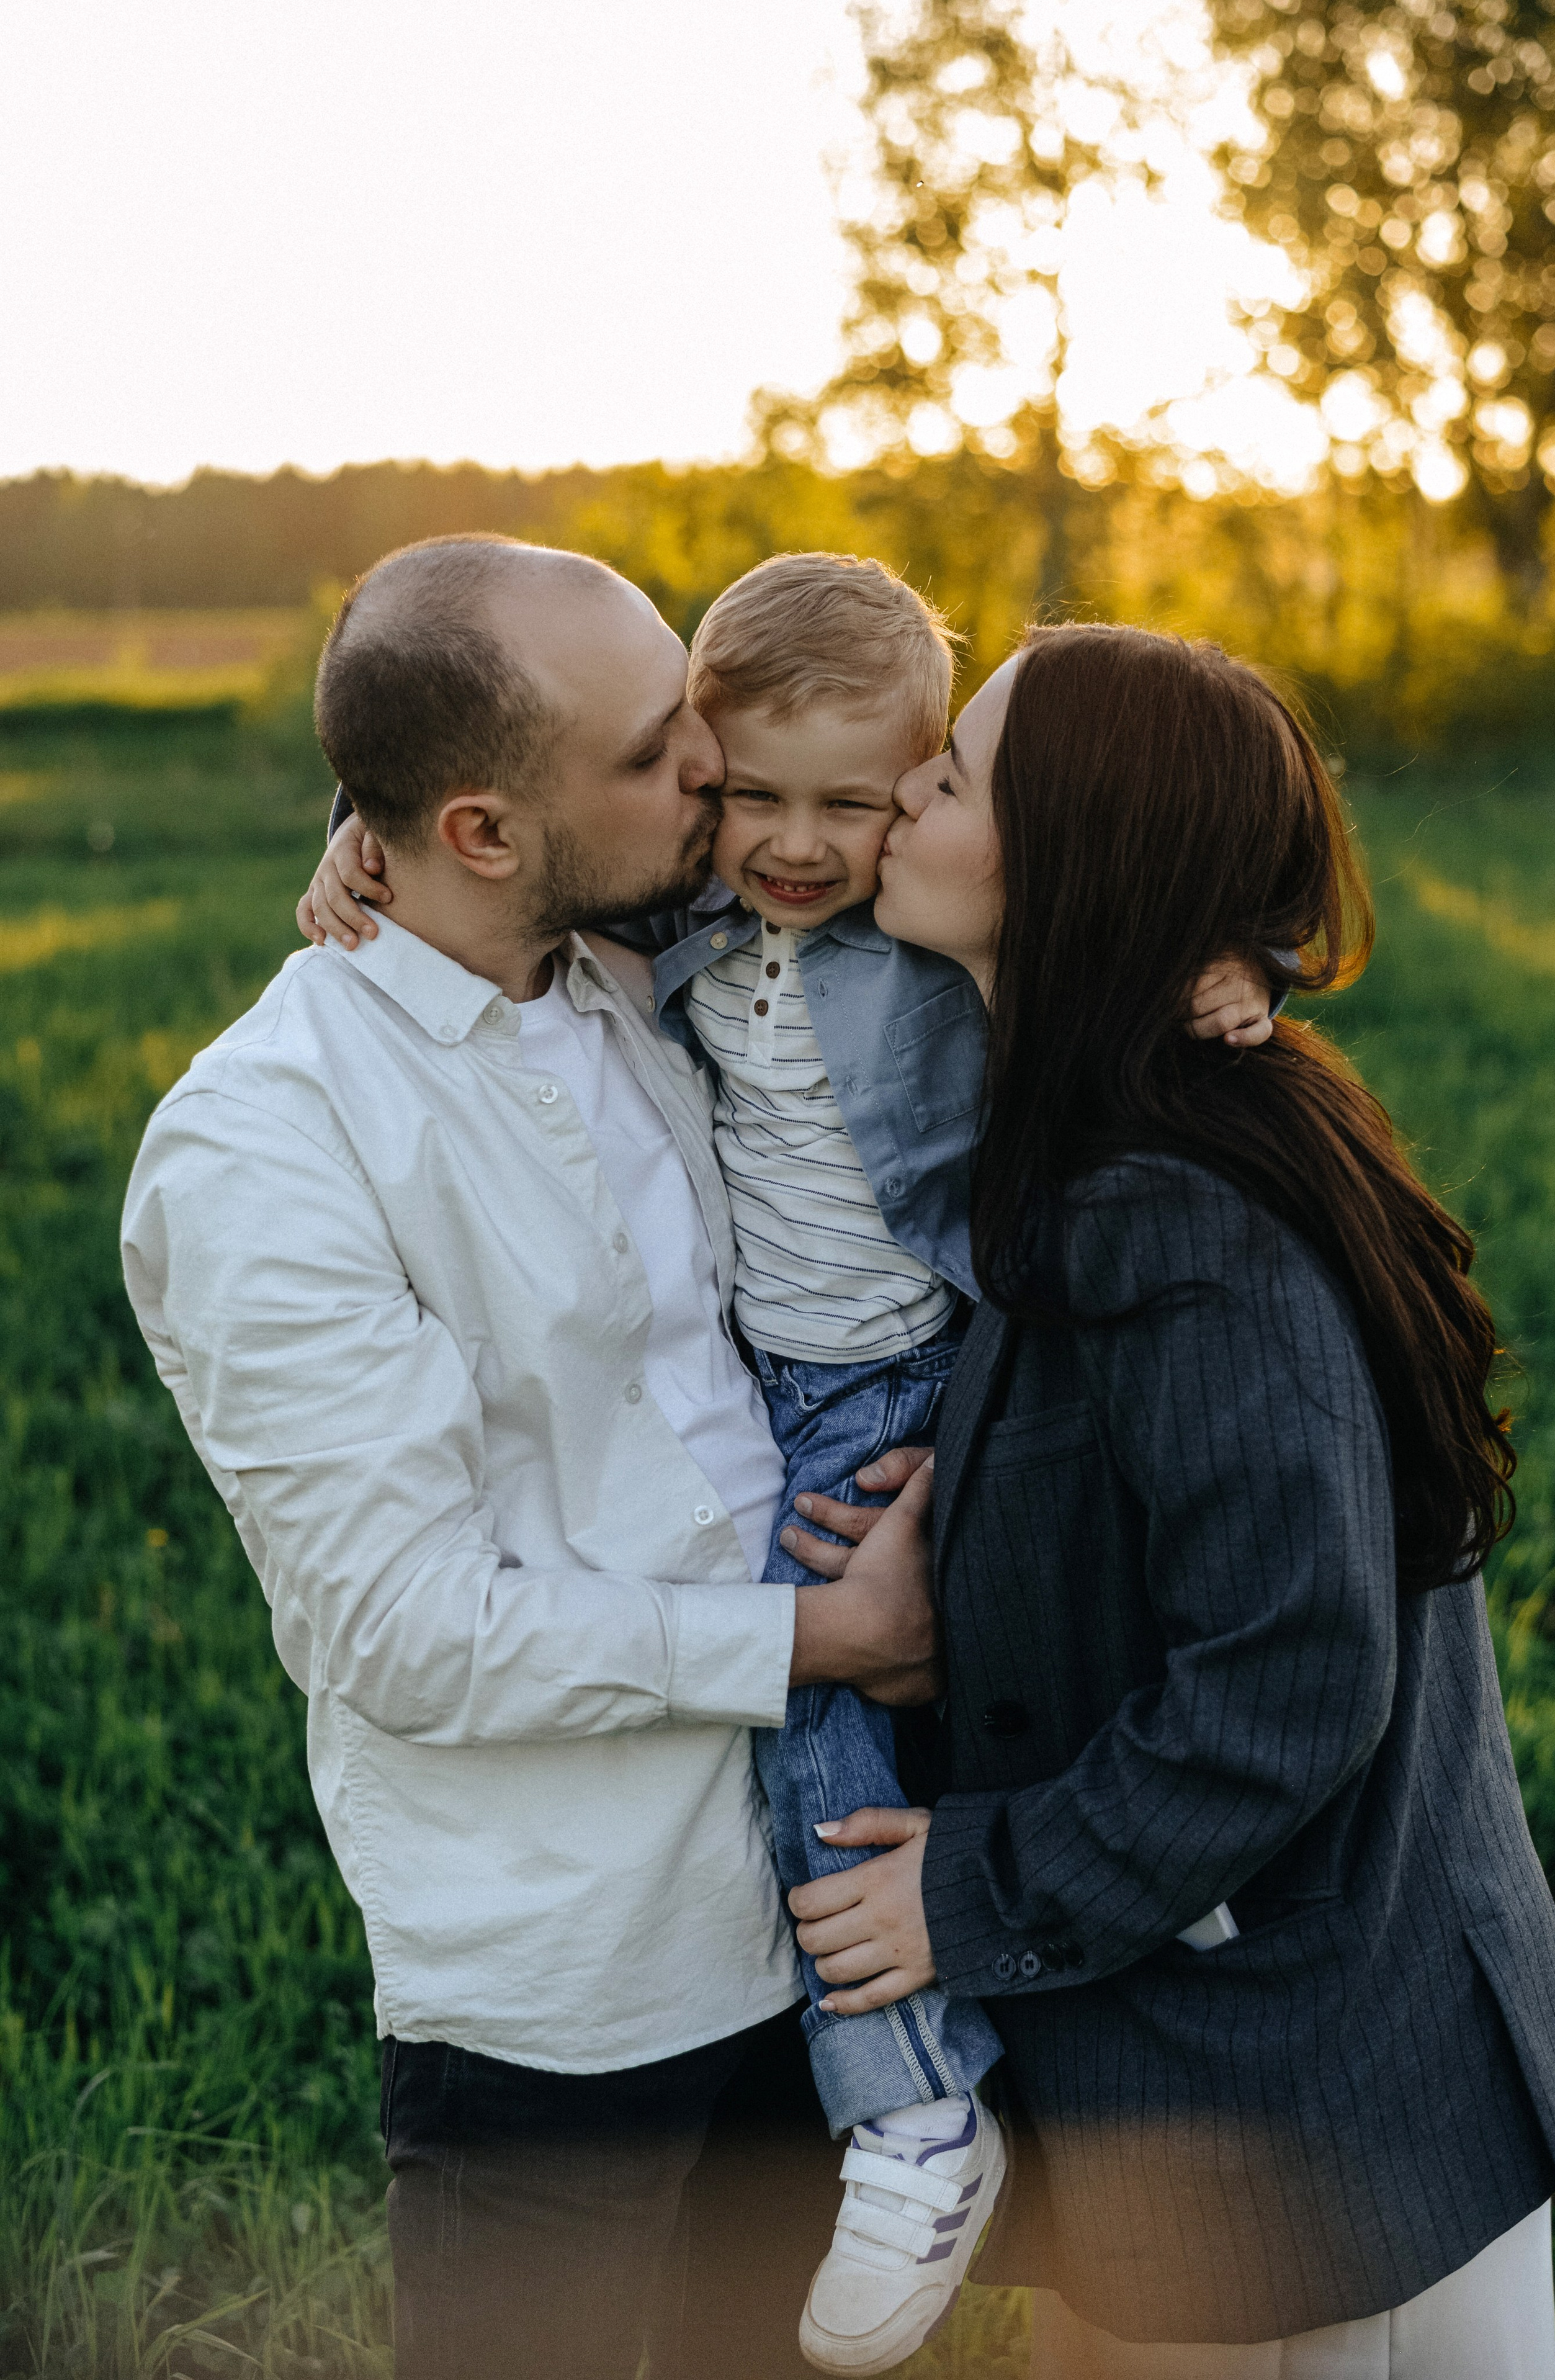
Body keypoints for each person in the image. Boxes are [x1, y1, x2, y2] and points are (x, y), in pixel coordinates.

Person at [301, 550, 1275, 2373]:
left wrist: (1224, 963)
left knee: (973, 1641)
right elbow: (477, 809)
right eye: (725, 777)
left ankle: (979, 2047)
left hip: (935, 1367)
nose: (777, 832)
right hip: (770, 1439)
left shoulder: (881, 940)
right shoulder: (650, 943)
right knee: (837, 1694)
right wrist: (362, 838)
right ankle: (931, 2078)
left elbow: (1099, 918)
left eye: (859, 799)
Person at [119, 534, 946, 2380]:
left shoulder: (630, 969)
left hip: (810, 1921)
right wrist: (825, 1638)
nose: (713, 776)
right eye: (660, 751)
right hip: (571, 1991)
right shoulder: (269, 1145)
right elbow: (403, 1626)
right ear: (484, 832)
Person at [778, 622, 1555, 2378]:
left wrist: (970, 1889)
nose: (908, 788)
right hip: (1274, 2086)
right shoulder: (1117, 1113)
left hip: (1302, 2122)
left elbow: (1291, 1677)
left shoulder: (1178, 1209)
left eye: (958, 773)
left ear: (1075, 861)